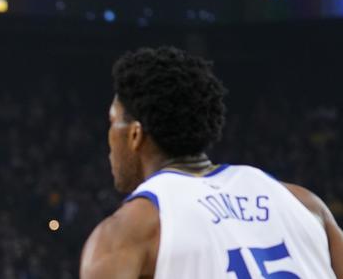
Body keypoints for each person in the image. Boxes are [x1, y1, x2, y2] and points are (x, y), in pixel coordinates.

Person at [80, 46, 343, 279]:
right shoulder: (304, 204)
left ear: (135, 135)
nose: (109, 136)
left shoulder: (126, 233)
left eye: (113, 122)